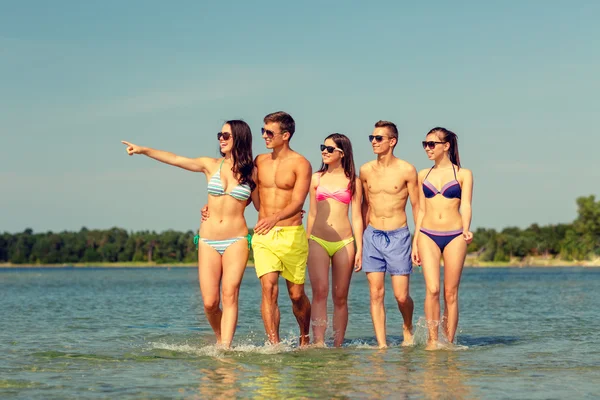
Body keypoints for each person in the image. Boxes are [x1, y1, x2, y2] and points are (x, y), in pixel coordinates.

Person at [121, 120, 256, 348]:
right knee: (210, 302)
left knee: (230, 293)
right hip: (208, 240)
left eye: (226, 135)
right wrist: (144, 150)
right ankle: (220, 338)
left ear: (239, 138)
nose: (221, 139)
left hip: (237, 239)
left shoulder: (253, 172)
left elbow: (265, 201)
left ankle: (226, 348)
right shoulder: (210, 165)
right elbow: (175, 159)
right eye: (219, 135)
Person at [202, 111, 312, 347]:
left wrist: (277, 217)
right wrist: (212, 206)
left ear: (286, 135)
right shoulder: (258, 162)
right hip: (264, 236)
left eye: (269, 132)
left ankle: (305, 336)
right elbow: (240, 188)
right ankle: (275, 345)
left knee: (296, 295)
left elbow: (298, 203)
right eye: (263, 131)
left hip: (291, 235)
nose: (264, 135)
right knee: (268, 290)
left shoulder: (301, 164)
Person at [359, 120, 420, 348]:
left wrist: (417, 242)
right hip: (373, 235)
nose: (373, 142)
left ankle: (407, 326)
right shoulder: (365, 170)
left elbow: (417, 207)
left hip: (399, 235)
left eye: (379, 138)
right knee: (376, 294)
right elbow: (364, 205)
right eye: (371, 138)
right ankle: (382, 345)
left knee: (401, 296)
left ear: (392, 141)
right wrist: (361, 241)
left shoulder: (407, 170)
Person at [412, 127, 473, 350]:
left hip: (456, 234)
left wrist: (466, 228)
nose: (427, 148)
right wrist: (414, 242)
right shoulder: (422, 174)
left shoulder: (463, 174)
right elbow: (419, 211)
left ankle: (448, 342)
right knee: (433, 289)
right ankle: (432, 340)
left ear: (445, 146)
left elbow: (465, 204)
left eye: (432, 144)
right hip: (427, 234)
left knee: (450, 292)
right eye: (425, 144)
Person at [306, 133, 363, 347]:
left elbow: (356, 217)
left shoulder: (353, 181)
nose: (324, 151)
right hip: (317, 240)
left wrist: (360, 248)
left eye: (329, 148)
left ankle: (338, 345)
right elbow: (311, 213)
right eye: (323, 147)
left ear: (342, 153)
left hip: (344, 242)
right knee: (319, 292)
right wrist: (306, 240)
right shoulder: (316, 178)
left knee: (340, 297)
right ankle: (319, 342)